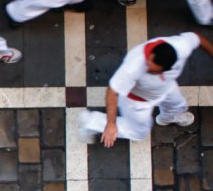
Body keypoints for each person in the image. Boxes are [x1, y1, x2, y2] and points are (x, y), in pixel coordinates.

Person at [78, 31, 213, 146]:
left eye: (152, 70)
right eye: (148, 62)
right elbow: (113, 91)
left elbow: (197, 38)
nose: (146, 67)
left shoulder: (181, 46)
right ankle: (91, 121)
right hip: (137, 101)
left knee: (178, 105)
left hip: (166, 86)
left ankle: (169, 117)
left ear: (167, 69)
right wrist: (111, 124)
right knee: (139, 133)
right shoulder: (133, 67)